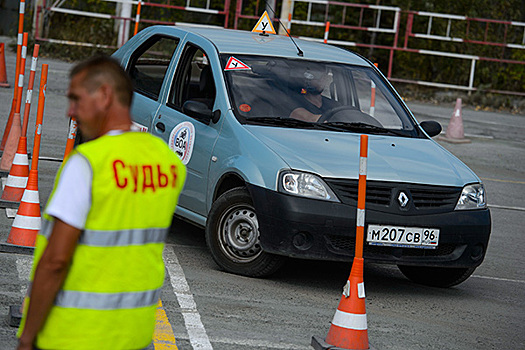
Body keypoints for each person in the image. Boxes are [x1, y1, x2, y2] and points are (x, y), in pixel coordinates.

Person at [17, 56, 187, 350]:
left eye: (76, 99)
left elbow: (55, 261)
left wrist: (27, 338)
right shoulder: (167, 163)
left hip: (74, 336)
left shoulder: (89, 163)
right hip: (135, 335)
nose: (71, 112)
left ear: (105, 95)